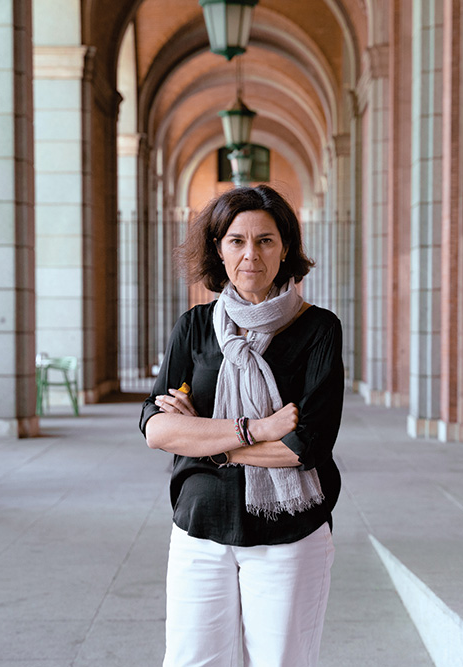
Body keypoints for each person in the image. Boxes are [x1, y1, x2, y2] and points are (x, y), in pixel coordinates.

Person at [139, 185, 345, 667]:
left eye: (265, 240)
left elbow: (304, 446)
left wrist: (205, 439)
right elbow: (155, 428)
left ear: (285, 248)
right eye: (237, 240)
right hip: (198, 528)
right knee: (191, 661)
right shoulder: (195, 326)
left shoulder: (319, 329)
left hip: (288, 534)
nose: (251, 254)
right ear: (219, 249)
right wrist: (258, 428)